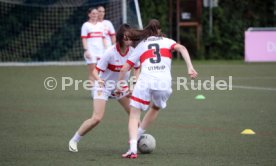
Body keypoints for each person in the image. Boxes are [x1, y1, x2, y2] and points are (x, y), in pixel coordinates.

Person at [117, 19, 198, 159]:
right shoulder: (168, 41)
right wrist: (190, 67)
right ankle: (139, 133)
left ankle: (132, 149)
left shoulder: (142, 45)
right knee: (155, 107)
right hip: (164, 83)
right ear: (160, 31)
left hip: (145, 81)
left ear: (147, 31)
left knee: (134, 114)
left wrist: (119, 85)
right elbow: (183, 48)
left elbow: (125, 68)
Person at [69, 24, 140, 152]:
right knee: (97, 118)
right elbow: (95, 71)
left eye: (131, 36)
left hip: (121, 87)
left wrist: (133, 84)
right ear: (121, 38)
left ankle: (138, 140)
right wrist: (100, 80)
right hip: (104, 86)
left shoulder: (133, 52)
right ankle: (74, 140)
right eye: (127, 36)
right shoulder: (110, 52)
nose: (130, 39)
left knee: (134, 114)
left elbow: (137, 69)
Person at [81, 7, 107, 85]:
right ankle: (93, 92)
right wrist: (86, 50)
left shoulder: (101, 25)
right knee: (93, 72)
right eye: (93, 13)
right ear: (89, 14)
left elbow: (103, 38)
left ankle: (100, 90)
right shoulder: (86, 25)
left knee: (100, 72)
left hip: (101, 52)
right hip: (91, 52)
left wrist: (106, 50)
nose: (95, 15)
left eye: (96, 13)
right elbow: (84, 39)